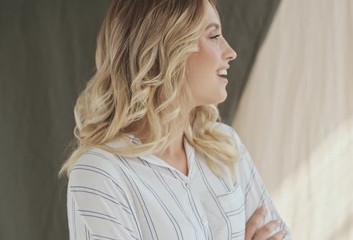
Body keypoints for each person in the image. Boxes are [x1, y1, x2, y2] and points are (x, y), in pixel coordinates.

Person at [60, 0, 291, 239]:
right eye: (214, 36)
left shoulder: (225, 147)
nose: (230, 52)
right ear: (168, 49)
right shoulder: (100, 173)